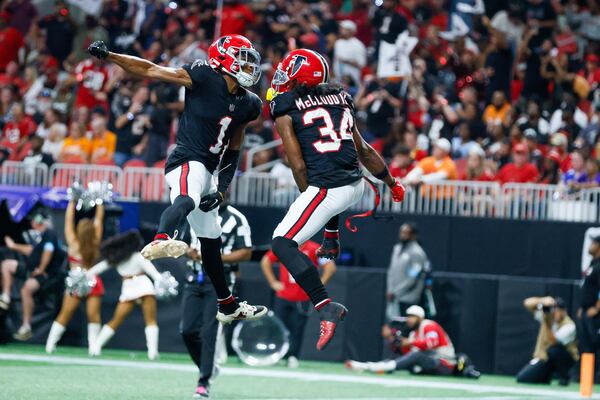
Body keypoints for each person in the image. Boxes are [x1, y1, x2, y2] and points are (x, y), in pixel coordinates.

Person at [87, 35, 266, 323]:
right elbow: (150, 69)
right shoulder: (204, 77)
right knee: (186, 198)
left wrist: (221, 190)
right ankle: (160, 237)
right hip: (186, 159)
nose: (248, 67)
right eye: (243, 59)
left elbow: (234, 148)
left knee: (211, 240)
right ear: (223, 58)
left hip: (209, 169)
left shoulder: (249, 104)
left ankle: (227, 305)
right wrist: (111, 56)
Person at [267, 48, 405, 350]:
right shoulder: (340, 97)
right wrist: (391, 183)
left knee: (281, 243)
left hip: (329, 188)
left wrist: (311, 197)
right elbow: (364, 150)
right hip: (357, 183)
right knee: (323, 200)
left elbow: (299, 165)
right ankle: (331, 236)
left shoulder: (284, 105)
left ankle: (325, 306)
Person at [180, 202, 253, 399]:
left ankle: (203, 383)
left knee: (210, 332)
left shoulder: (236, 219)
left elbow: (246, 252)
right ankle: (210, 368)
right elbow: (184, 242)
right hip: (194, 279)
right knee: (187, 331)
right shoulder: (194, 214)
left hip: (219, 284)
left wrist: (213, 257)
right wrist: (188, 251)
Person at [86, 230, 162, 360]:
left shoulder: (130, 257)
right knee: (122, 319)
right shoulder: (121, 258)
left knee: (143, 320)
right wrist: (84, 276)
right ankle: (96, 347)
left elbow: (153, 273)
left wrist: (161, 281)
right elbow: (97, 269)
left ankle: (152, 352)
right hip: (134, 288)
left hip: (141, 287)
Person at [261, 240, 336, 368]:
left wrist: (317, 286)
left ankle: (292, 356)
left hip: (302, 297)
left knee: (297, 328)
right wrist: (273, 282)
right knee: (277, 326)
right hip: (283, 295)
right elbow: (265, 261)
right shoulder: (284, 247)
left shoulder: (314, 248)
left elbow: (330, 267)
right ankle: (275, 354)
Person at [45, 200, 105, 355]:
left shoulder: (74, 242)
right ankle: (94, 348)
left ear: (79, 230)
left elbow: (68, 221)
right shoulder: (95, 241)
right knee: (93, 316)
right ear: (92, 230)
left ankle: (50, 345)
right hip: (89, 281)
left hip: (78, 280)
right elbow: (99, 220)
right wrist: (99, 202)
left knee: (65, 314)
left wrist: (72, 202)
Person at [0, 209, 65, 340]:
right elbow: (32, 250)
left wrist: (41, 269)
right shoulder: (40, 236)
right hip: (32, 269)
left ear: (39, 221)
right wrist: (13, 246)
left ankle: (26, 326)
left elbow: (48, 251)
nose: (31, 222)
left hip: (46, 274)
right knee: (7, 265)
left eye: (34, 219)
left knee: (26, 290)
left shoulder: (49, 234)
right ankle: (5, 297)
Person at [345, 305, 456, 376]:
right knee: (400, 358)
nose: (410, 319)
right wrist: (393, 339)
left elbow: (431, 343)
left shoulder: (429, 325)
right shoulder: (413, 333)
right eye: (409, 316)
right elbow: (408, 355)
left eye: (413, 317)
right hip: (430, 364)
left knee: (415, 356)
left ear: (420, 318)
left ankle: (380, 367)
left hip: (445, 364)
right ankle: (368, 366)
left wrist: (409, 342)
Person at [516, 296, 577, 385]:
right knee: (523, 377)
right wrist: (542, 300)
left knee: (553, 350)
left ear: (564, 311)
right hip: (545, 358)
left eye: (557, 310)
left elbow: (554, 342)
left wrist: (547, 323)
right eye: (553, 309)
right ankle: (545, 376)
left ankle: (565, 376)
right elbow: (527, 303)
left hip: (565, 359)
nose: (554, 312)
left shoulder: (570, 325)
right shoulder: (547, 317)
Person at [386, 223, 430, 318]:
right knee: (392, 326)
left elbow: (412, 278)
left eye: (406, 233)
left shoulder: (417, 253)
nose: (403, 235)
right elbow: (391, 272)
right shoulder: (396, 249)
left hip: (408, 298)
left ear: (413, 235)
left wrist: (396, 292)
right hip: (394, 297)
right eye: (401, 232)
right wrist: (390, 290)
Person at [576, 235, 600, 358]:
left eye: (593, 243)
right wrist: (582, 307)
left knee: (596, 343)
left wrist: (596, 308)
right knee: (585, 345)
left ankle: (596, 375)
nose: (589, 246)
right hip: (586, 311)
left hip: (595, 314)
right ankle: (587, 376)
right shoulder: (592, 264)